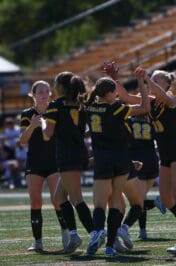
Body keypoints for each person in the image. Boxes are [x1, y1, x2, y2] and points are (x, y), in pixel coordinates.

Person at [104, 62, 176, 253]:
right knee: (167, 200)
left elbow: (160, 94)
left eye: (157, 79)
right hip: (165, 153)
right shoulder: (149, 101)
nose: (153, 81)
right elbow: (125, 96)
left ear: (166, 85)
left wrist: (145, 79)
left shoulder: (171, 100)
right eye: (153, 78)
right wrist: (113, 78)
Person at [85, 68, 150, 256]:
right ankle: (110, 246)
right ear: (111, 92)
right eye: (115, 91)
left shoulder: (89, 108)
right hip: (120, 158)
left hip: (101, 158)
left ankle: (98, 231)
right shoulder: (116, 108)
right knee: (115, 203)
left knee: (99, 204)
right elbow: (145, 108)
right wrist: (142, 86)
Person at [43, 73, 96, 254]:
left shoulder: (55, 105)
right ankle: (74, 235)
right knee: (59, 198)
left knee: (76, 198)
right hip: (79, 153)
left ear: (61, 86)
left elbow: (48, 133)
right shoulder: (81, 104)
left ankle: (96, 233)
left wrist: (41, 123)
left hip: (67, 155)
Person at [19, 81, 69, 251]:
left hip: (54, 161)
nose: (44, 94)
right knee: (35, 201)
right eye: (40, 91)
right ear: (33, 94)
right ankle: (38, 242)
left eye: (47, 91)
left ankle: (67, 236)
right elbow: (23, 141)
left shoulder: (55, 111)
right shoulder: (27, 114)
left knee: (58, 200)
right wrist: (33, 126)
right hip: (34, 162)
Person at [116, 114, 166, 251]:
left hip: (137, 160)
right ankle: (142, 231)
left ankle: (126, 227)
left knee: (138, 202)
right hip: (152, 161)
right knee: (140, 199)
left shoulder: (128, 120)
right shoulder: (150, 122)